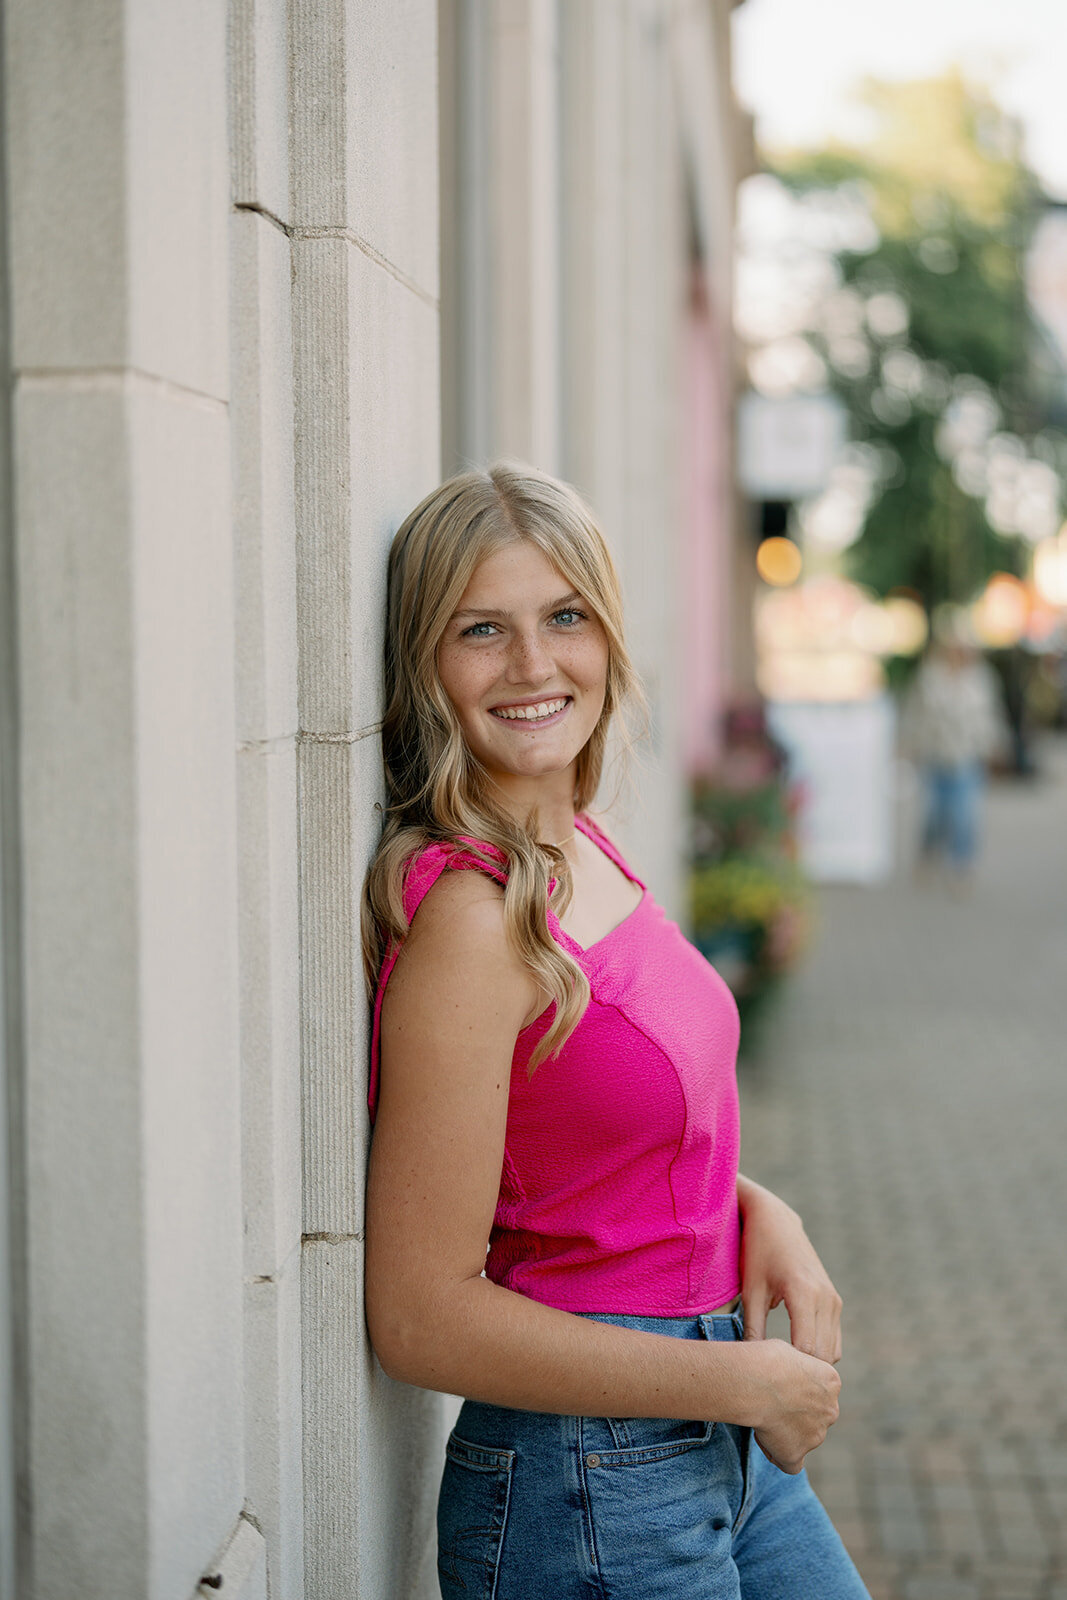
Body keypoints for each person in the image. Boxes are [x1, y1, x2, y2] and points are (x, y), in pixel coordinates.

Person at [362, 462, 870, 1599]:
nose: (533, 665)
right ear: (425, 665)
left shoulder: (583, 845)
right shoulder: (469, 918)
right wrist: (741, 1384)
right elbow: (417, 1314)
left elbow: (596, 1145)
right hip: (585, 1479)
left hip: (702, 1434)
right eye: (480, 629)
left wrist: (754, 1206)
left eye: (563, 617)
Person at [902, 608, 1007, 890]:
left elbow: (991, 716)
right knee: (934, 814)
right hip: (935, 754)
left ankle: (962, 866)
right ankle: (928, 855)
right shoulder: (930, 677)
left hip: (966, 755)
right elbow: (915, 714)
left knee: (964, 816)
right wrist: (908, 745)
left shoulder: (982, 679)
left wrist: (995, 748)